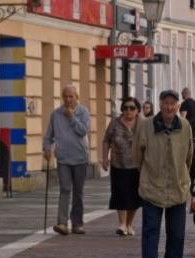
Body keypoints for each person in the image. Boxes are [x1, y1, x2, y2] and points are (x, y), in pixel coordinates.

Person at [133, 90, 194, 258]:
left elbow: (189, 155)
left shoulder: (184, 126)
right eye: (165, 103)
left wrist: (182, 175)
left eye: (172, 103)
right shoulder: (146, 125)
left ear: (177, 106)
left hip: (177, 186)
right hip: (152, 186)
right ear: (160, 105)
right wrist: (145, 173)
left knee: (176, 233)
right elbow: (137, 154)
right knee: (151, 230)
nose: (169, 107)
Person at [43, 85, 92, 235]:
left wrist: (71, 117)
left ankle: (77, 223)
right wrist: (46, 148)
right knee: (64, 189)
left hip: (80, 157)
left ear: (76, 97)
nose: (68, 99)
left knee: (78, 191)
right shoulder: (56, 114)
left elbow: (82, 131)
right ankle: (62, 223)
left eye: (71, 96)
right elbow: (49, 135)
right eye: (65, 96)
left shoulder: (83, 112)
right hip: (63, 157)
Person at [101, 97, 141, 237]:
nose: (128, 110)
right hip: (118, 164)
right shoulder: (115, 123)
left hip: (137, 166)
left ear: (137, 110)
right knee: (121, 193)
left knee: (134, 196)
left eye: (132, 108)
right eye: (125, 108)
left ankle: (129, 224)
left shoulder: (142, 124)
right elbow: (106, 140)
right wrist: (105, 158)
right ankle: (122, 224)